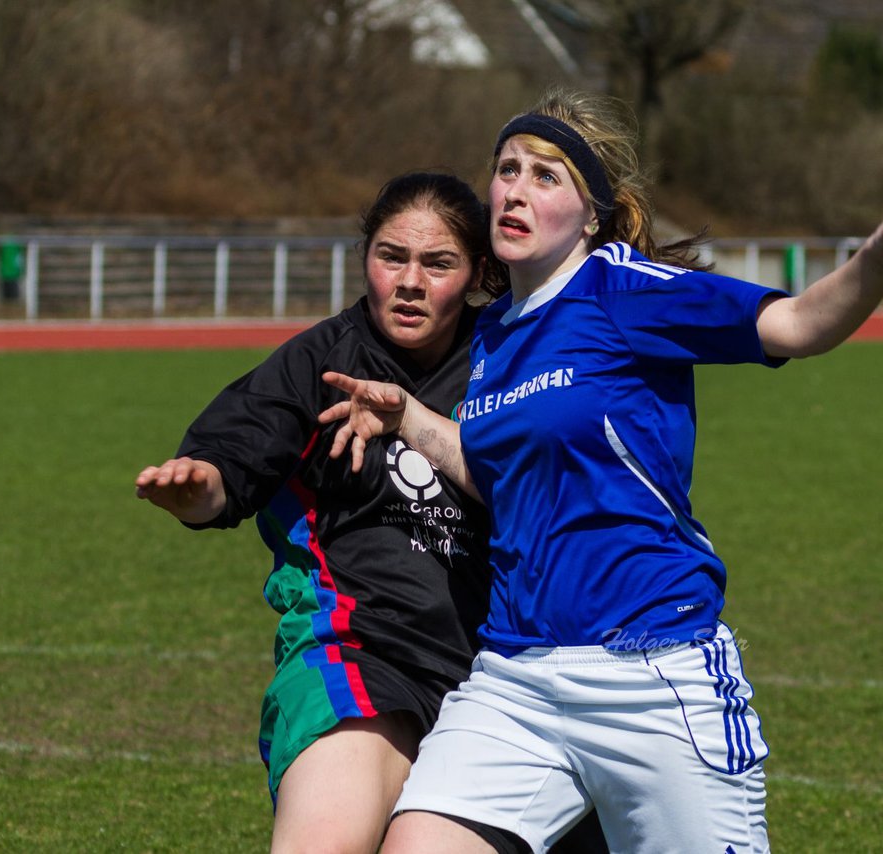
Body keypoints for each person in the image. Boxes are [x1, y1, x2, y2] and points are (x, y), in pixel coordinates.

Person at [319, 87, 883, 853]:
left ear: (590, 215)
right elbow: (497, 474)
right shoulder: (492, 335)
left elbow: (795, 323)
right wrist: (411, 419)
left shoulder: (622, 291)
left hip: (651, 673)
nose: (517, 190)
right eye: (508, 169)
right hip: (516, 678)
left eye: (546, 176)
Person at [134, 171, 606, 854]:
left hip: (508, 675)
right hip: (360, 649)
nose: (410, 281)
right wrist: (198, 486)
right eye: (392, 256)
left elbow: (569, 493)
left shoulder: (514, 362)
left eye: (438, 263)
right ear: (366, 259)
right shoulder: (320, 361)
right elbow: (236, 457)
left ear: (478, 271)